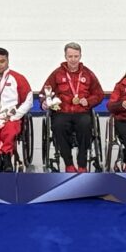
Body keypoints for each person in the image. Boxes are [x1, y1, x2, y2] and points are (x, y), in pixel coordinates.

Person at [40, 42, 105, 173]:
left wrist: (88, 101)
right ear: (65, 56)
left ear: (80, 56)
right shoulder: (56, 74)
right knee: (58, 126)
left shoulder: (88, 74)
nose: (73, 59)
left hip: (81, 112)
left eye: (76, 56)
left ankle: (82, 163)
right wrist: (45, 102)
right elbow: (44, 92)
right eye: (70, 56)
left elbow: (99, 94)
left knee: (86, 125)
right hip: (62, 111)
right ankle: (68, 163)